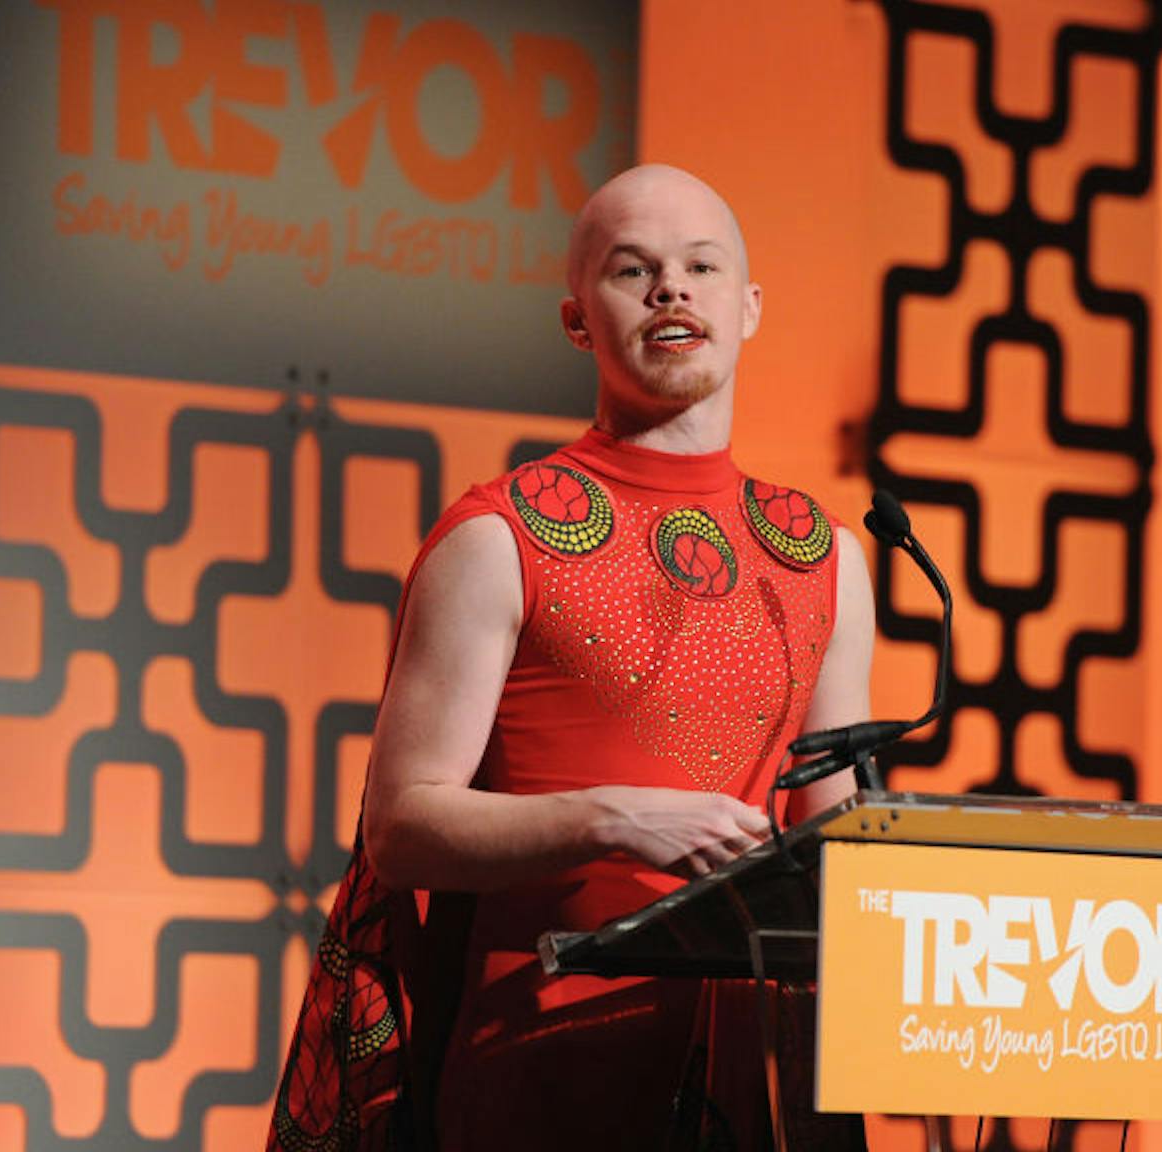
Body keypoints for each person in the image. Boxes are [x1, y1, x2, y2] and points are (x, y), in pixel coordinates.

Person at [267, 164, 874, 1151]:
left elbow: (841, 850)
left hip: (743, 1074)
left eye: (700, 267)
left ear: (749, 306)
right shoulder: (497, 537)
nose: (670, 290)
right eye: (632, 270)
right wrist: (613, 818)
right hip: (535, 1066)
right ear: (576, 320)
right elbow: (401, 827)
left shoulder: (824, 555)